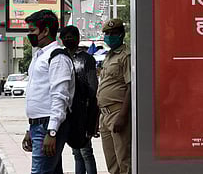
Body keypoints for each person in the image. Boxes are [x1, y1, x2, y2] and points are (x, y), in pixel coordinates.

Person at [21, 9, 75, 174]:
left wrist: (52, 132)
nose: (29, 35)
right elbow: (38, 95)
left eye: (32, 31)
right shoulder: (39, 56)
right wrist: (30, 128)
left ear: (45, 31)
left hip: (48, 126)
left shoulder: (57, 57)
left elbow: (60, 96)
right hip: (39, 126)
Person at [60, 26, 99, 174]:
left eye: (71, 36)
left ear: (78, 38)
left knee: (86, 151)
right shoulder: (61, 57)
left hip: (84, 110)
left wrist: (93, 116)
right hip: (68, 111)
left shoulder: (87, 59)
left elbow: (93, 88)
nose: (68, 39)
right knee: (76, 152)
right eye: (66, 37)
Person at [97, 18, 131, 174]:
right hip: (104, 115)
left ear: (122, 34)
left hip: (118, 113)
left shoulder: (126, 55)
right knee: (112, 164)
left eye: (114, 33)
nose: (109, 36)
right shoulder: (108, 56)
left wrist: (123, 116)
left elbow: (131, 87)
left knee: (124, 161)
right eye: (107, 33)